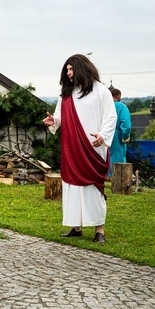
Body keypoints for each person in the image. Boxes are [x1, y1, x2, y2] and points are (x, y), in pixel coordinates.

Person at [43, 54, 116, 245]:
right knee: (72, 186)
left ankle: (99, 230)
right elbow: (59, 117)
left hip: (93, 147)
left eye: (71, 69)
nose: (68, 73)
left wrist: (102, 135)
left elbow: (111, 117)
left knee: (93, 187)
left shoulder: (101, 91)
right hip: (72, 147)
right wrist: (54, 122)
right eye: (66, 70)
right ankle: (76, 227)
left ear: (82, 68)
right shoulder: (66, 94)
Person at [109, 88, 132, 176]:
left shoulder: (104, 106)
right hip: (116, 135)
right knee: (118, 158)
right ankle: (117, 178)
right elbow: (126, 124)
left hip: (103, 134)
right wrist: (125, 137)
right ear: (119, 97)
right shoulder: (122, 107)